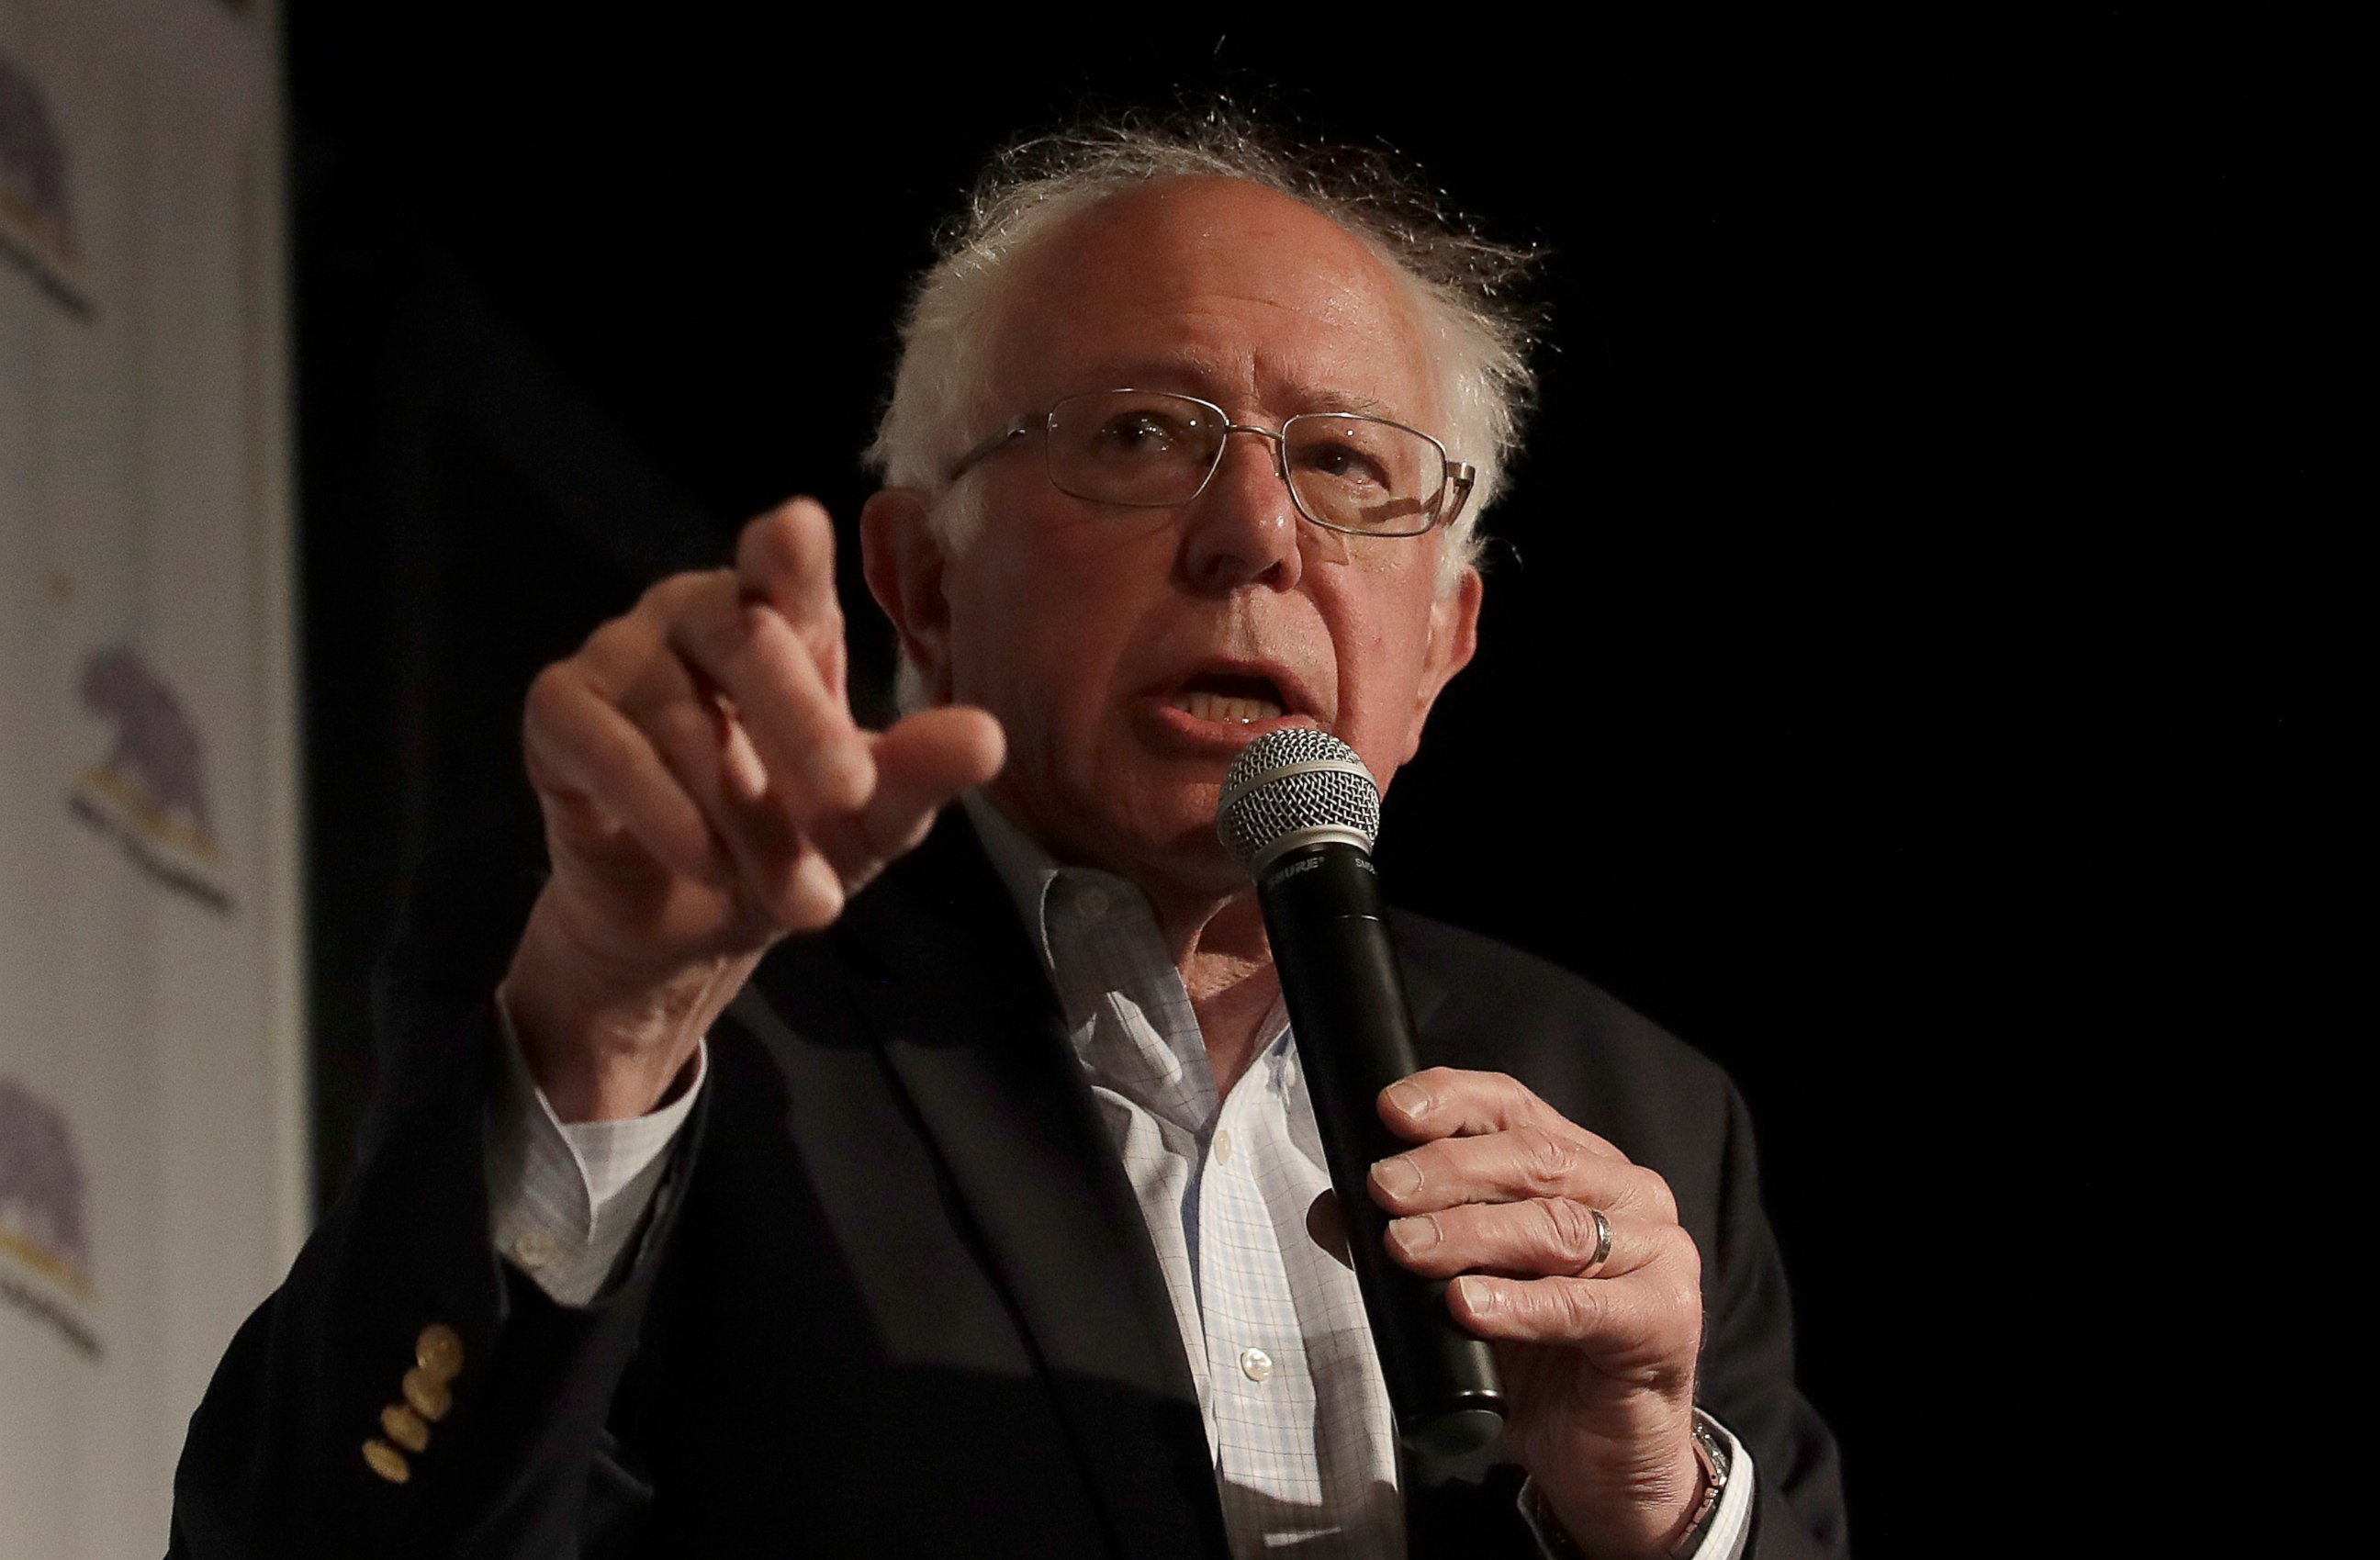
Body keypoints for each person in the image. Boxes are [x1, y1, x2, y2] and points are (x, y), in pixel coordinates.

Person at [171, 116, 1845, 1559]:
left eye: (1343, 464)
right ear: (922, 584)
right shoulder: (661, 992)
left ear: (1443, 642)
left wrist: (1647, 1503)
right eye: (1139, 435)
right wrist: (604, 1030)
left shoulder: (1639, 1120)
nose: (1254, 532)